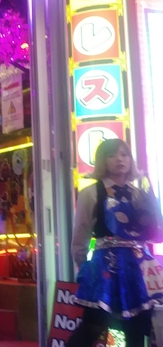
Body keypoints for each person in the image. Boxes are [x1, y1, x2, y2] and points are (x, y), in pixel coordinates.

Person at [68, 139, 163, 347]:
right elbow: (80, 235)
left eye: (124, 154)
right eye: (112, 155)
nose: (119, 159)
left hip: (139, 269)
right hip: (106, 269)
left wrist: (153, 204)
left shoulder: (140, 194)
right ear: (102, 161)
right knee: (93, 325)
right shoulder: (90, 193)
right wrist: (83, 268)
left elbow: (157, 235)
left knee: (137, 330)